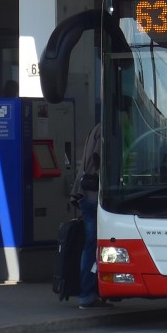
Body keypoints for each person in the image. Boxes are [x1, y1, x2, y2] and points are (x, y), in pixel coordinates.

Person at [72, 122, 103, 309]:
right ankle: (88, 293)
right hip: (93, 196)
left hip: (85, 194)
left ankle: (90, 292)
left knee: (92, 245)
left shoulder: (96, 128)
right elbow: (99, 157)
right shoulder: (106, 128)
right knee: (94, 246)